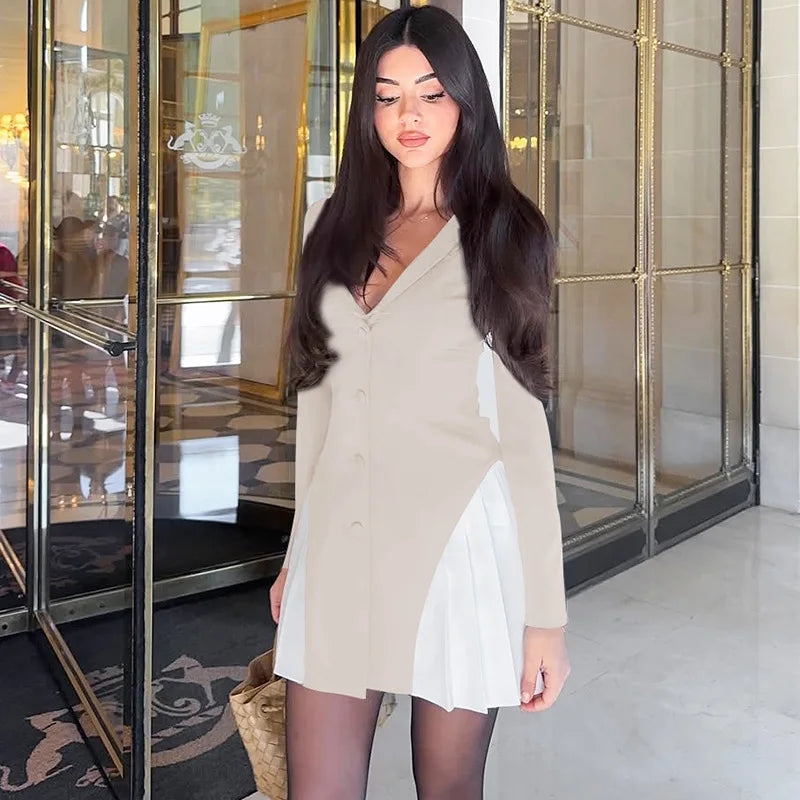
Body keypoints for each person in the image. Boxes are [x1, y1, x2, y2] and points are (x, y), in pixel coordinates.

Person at [270, 7, 571, 799]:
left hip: (455, 547)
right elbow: (320, 408)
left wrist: (546, 615)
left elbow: (521, 432)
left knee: (447, 788)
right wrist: (299, 550)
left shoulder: (504, 232)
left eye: (431, 94)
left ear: (465, 102)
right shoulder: (333, 226)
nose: (409, 115)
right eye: (388, 93)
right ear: (366, 108)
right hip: (339, 543)